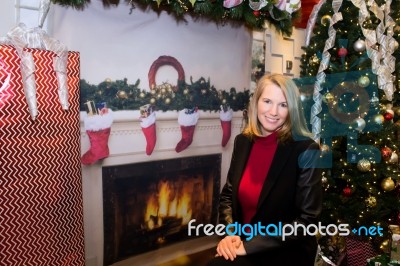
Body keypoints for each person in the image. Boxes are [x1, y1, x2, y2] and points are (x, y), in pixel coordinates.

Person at [206, 73, 322, 266]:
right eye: (267, 101)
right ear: (256, 103)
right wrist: (230, 235)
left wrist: (249, 247)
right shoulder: (242, 142)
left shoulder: (306, 150)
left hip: (285, 249)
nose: (273, 111)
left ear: (291, 109)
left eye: (283, 105)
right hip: (242, 241)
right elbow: (228, 195)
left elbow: (308, 221)